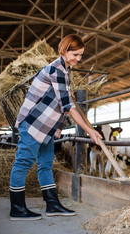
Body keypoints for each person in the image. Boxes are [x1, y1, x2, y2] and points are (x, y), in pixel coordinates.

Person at [9, 34, 102, 221]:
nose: (78, 59)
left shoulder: (66, 72)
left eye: (81, 55)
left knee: (45, 165)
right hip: (33, 123)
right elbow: (68, 106)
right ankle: (17, 209)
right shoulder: (56, 70)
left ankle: (52, 205)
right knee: (23, 162)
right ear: (64, 50)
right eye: (75, 54)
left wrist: (58, 126)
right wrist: (89, 130)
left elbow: (58, 103)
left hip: (47, 126)